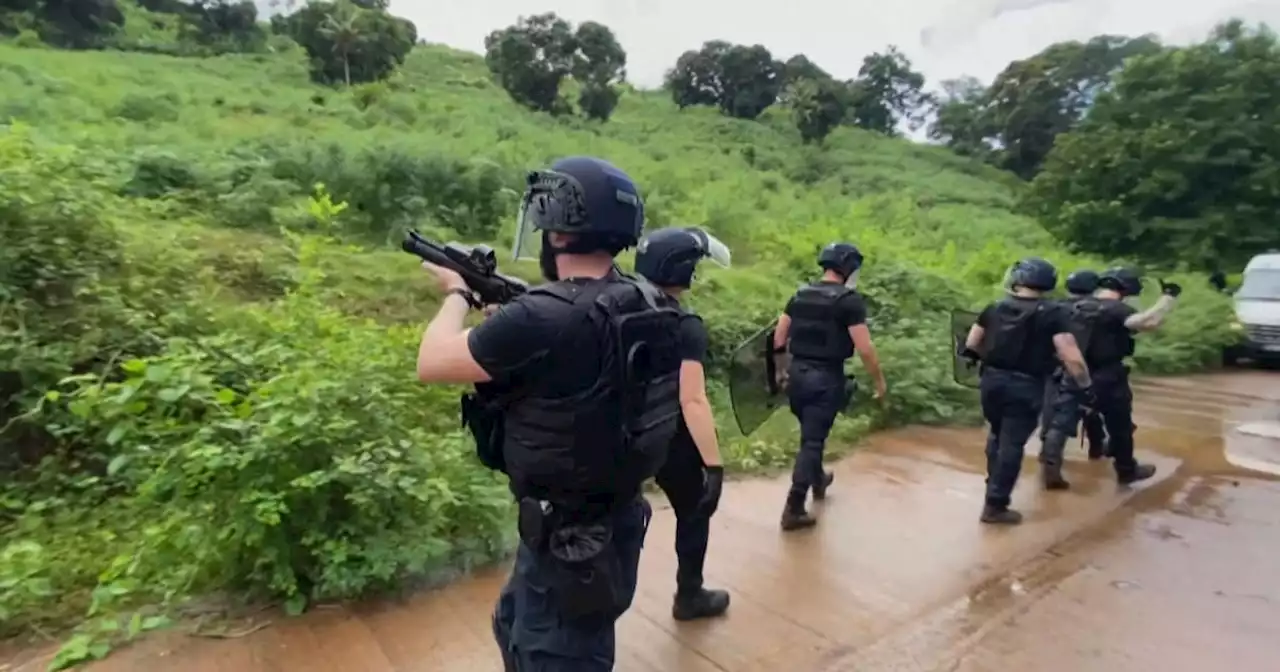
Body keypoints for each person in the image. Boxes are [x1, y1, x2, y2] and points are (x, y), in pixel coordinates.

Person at [415, 156, 684, 671]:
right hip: (606, 524)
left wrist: (457, 293)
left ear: (558, 233)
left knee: (555, 650)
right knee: (517, 625)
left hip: (568, 538)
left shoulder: (541, 316)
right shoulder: (647, 300)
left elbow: (431, 362)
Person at [633, 226, 733, 621]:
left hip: (623, 433)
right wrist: (714, 464)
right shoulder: (684, 324)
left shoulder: (620, 304)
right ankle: (689, 595)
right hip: (670, 437)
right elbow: (692, 398)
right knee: (694, 510)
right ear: (682, 270)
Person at [961, 258, 1091, 525]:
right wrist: (1085, 384)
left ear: (1017, 278)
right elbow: (1071, 355)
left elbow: (972, 343)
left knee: (996, 434)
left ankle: (993, 481)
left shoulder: (995, 307)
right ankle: (995, 506)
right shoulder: (1054, 312)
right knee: (1012, 443)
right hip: (1026, 385)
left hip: (991, 382)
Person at [771, 242, 886, 531]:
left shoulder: (799, 295)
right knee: (813, 441)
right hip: (825, 378)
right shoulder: (849, 301)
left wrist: (781, 373)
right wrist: (879, 380)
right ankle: (794, 507)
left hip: (797, 375)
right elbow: (865, 348)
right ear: (847, 268)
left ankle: (818, 479)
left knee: (811, 434)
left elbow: (779, 338)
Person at [1075, 267, 1179, 486]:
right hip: (1108, 374)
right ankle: (1126, 470)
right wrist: (1167, 299)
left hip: (1074, 372)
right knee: (1120, 424)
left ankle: (1090, 450)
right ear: (1126, 288)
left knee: (1082, 415)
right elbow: (1146, 322)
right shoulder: (1117, 309)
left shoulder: (1077, 306)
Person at [1038, 269, 1109, 482]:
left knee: (1053, 413)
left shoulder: (1053, 307)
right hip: (1085, 368)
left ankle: (1048, 454)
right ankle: (1053, 467)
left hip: (1052, 368)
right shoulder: (1100, 310)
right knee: (1073, 414)